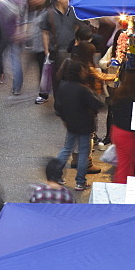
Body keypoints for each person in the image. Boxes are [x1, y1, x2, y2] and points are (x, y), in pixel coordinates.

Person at [54, 60, 103, 192]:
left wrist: (65, 118)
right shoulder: (83, 89)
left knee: (66, 149)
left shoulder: (63, 86)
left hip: (71, 123)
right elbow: (97, 104)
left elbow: (58, 106)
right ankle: (80, 182)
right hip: (85, 124)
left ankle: (56, 174)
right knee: (83, 153)